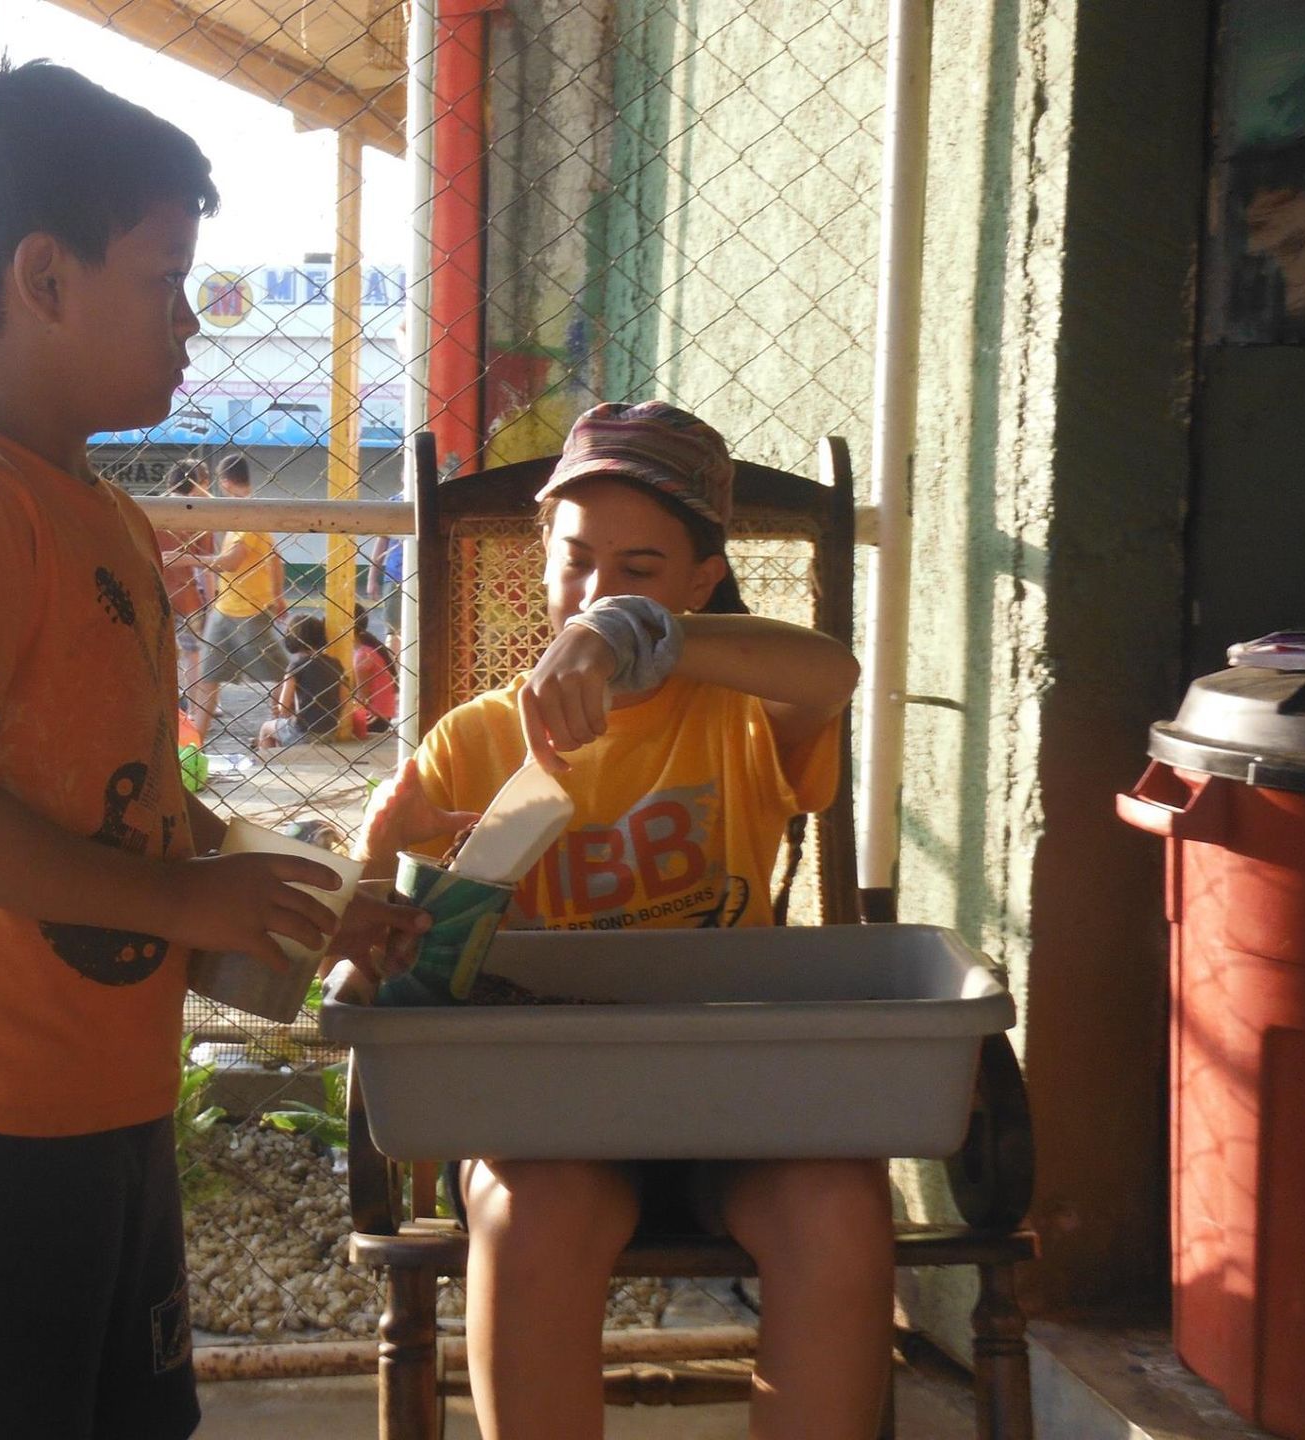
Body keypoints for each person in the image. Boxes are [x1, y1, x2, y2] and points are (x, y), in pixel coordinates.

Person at [0, 60, 426, 1439]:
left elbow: (143, 809)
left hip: (105, 1101)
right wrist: (176, 901)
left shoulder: (98, 514)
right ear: (44, 277)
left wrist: (301, 894)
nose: (188, 326)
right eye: (166, 282)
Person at [355, 401, 883, 1440]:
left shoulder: (739, 710)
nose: (595, 593)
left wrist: (633, 638)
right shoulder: (476, 740)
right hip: (552, 1119)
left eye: (639, 570)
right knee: (529, 1215)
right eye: (577, 562)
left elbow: (834, 673)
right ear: (539, 557)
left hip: (739, 1102)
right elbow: (386, 963)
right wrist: (382, 855)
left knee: (841, 1212)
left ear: (699, 582)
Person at [191, 452, 286, 744]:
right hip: (226, 607)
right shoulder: (243, 514)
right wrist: (278, 595)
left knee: (281, 672)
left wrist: (187, 560)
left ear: (223, 482)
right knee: (208, 678)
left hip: (248, 611)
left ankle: (276, 733)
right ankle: (194, 745)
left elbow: (232, 561)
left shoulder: (248, 515)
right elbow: (276, 559)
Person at [153, 458, 215, 714]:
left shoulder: (155, 509)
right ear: (199, 483)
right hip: (186, 594)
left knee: (157, 652)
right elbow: (206, 566)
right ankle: (192, 710)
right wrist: (211, 604)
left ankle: (162, 705)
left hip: (154, 591)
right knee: (193, 653)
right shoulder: (199, 515)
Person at [257, 615, 347, 749]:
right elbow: (345, 698)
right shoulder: (336, 664)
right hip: (330, 729)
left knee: (266, 728)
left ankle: (270, 764)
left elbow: (283, 706)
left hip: (302, 731)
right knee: (282, 728)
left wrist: (290, 714)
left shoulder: (295, 667)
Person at [353, 608, 397, 735]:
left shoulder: (362, 655)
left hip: (374, 718)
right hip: (383, 716)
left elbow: (362, 698)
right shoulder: (368, 647)